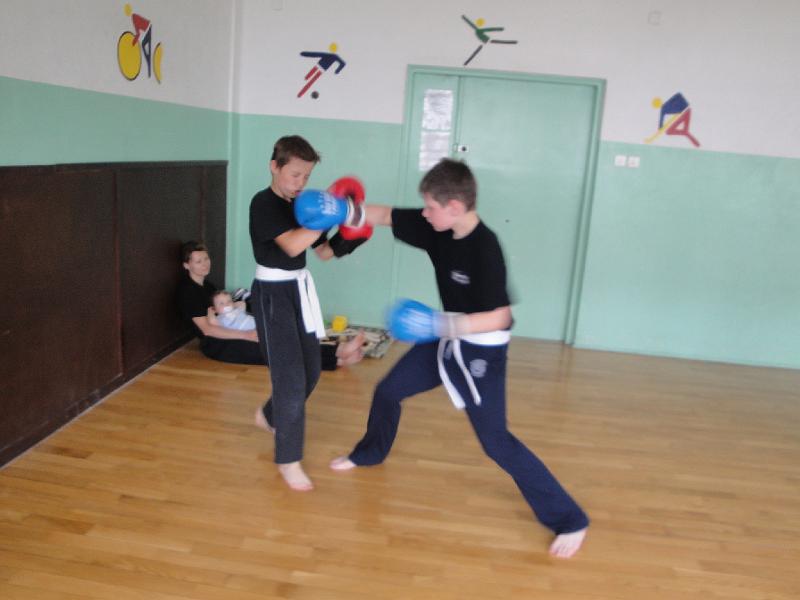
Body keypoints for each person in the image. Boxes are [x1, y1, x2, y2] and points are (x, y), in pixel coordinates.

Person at [294, 158, 589, 558]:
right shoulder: (437, 226)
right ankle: (369, 453)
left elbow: (500, 317)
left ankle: (570, 519)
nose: (425, 214)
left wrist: (437, 323)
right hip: (446, 336)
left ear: (455, 207)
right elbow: (383, 215)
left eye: (431, 207)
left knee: (496, 442)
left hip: (481, 349)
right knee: (388, 391)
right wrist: (343, 210)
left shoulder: (485, 249)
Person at [248, 135, 371, 492]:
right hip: (272, 295)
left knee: (311, 371)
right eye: (295, 174)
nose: (300, 182)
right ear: (274, 167)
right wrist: (331, 214)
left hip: (298, 290)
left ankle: (269, 416)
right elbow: (290, 245)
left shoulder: (301, 203)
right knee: (289, 380)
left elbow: (324, 252)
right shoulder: (263, 203)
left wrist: (355, 234)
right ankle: (288, 460)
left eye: (306, 176)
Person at [177, 241, 365, 368]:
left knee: (281, 341)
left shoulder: (209, 286)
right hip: (217, 345)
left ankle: (337, 354)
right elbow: (207, 330)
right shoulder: (188, 292)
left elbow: (226, 314)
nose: (205, 264)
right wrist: (247, 335)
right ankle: (337, 357)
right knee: (275, 352)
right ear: (187, 265)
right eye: (198, 261)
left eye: (206, 259)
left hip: (231, 331)